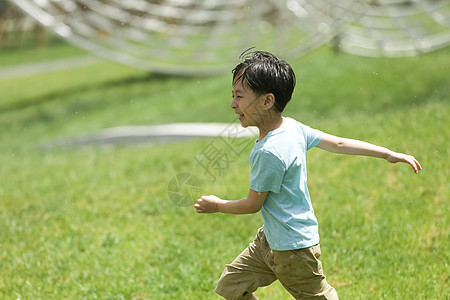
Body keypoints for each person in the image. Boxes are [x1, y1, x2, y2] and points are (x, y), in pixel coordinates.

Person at [194, 51, 422, 300]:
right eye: (233, 96)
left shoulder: (268, 151)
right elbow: (339, 143)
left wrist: (217, 205)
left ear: (267, 101)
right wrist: (387, 153)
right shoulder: (292, 127)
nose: (233, 104)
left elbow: (252, 204)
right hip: (269, 240)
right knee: (231, 286)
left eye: (239, 96)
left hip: (293, 249)